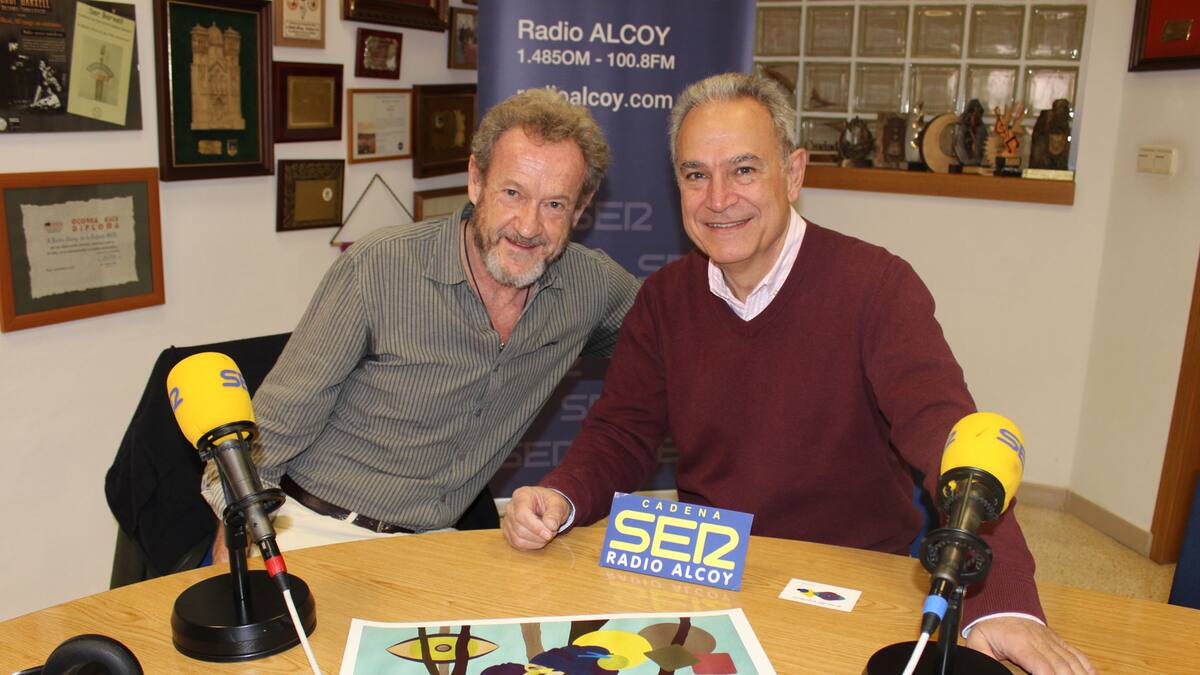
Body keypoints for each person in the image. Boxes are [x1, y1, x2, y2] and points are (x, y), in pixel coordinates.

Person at [503, 73, 1094, 675]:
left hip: (851, 574)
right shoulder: (664, 299)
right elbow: (622, 431)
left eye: (744, 170)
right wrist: (562, 493)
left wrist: (1006, 605)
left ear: (793, 173)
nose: (717, 198)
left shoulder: (876, 287)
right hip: (713, 580)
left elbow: (947, 435)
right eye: (695, 175)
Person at [202, 89, 640, 558]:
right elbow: (267, 434)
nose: (529, 226)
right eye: (512, 193)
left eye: (554, 205)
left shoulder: (591, 287)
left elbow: (676, 333)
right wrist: (240, 536)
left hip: (435, 549)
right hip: (310, 528)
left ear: (581, 207)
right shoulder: (379, 267)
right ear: (476, 180)